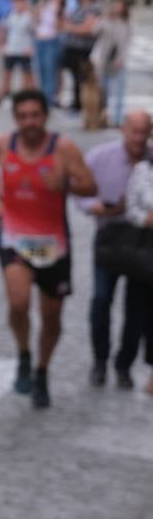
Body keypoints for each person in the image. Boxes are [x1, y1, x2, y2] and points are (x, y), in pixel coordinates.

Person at [0, 90, 98, 408]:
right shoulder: (2, 145)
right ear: (16, 119)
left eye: (35, 115)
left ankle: (42, 370)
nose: (30, 122)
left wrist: (67, 184)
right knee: (18, 302)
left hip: (54, 243)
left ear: (45, 116)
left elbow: (91, 185)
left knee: (51, 316)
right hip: (14, 239)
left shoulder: (64, 149)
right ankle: (23, 354)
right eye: (23, 116)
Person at [78, 111, 151, 388]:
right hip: (109, 237)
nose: (138, 138)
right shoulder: (100, 156)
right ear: (123, 129)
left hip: (143, 242)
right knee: (101, 300)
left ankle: (124, 365)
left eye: (144, 132)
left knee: (137, 308)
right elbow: (79, 187)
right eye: (134, 131)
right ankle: (99, 360)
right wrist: (92, 206)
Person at [123, 154, 153, 394]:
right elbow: (131, 209)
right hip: (143, 249)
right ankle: (124, 364)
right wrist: (146, 219)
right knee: (135, 312)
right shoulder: (143, 169)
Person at [59, 0, 102, 114]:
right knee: (73, 76)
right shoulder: (78, 7)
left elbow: (88, 28)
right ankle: (76, 101)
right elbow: (66, 23)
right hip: (72, 46)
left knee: (83, 76)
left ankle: (81, 104)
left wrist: (71, 28)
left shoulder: (94, 7)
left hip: (84, 47)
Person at [91, 0, 132, 127]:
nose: (117, 8)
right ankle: (103, 117)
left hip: (118, 62)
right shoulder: (106, 20)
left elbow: (126, 44)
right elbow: (94, 32)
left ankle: (118, 119)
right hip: (104, 60)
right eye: (116, 5)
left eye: (120, 5)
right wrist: (104, 19)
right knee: (103, 91)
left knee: (119, 92)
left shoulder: (126, 24)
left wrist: (120, 59)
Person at [0, 0, 37, 102]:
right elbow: (2, 30)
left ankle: (29, 96)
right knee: (7, 73)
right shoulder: (10, 14)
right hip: (11, 48)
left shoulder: (29, 16)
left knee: (27, 74)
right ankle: (3, 94)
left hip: (24, 49)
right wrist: (2, 45)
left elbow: (35, 32)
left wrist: (32, 47)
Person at [34, 0, 65, 109]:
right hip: (40, 39)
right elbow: (37, 20)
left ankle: (48, 99)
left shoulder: (62, 9)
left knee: (50, 71)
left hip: (51, 41)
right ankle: (42, 96)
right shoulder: (46, 4)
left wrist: (58, 13)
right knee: (40, 70)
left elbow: (60, 28)